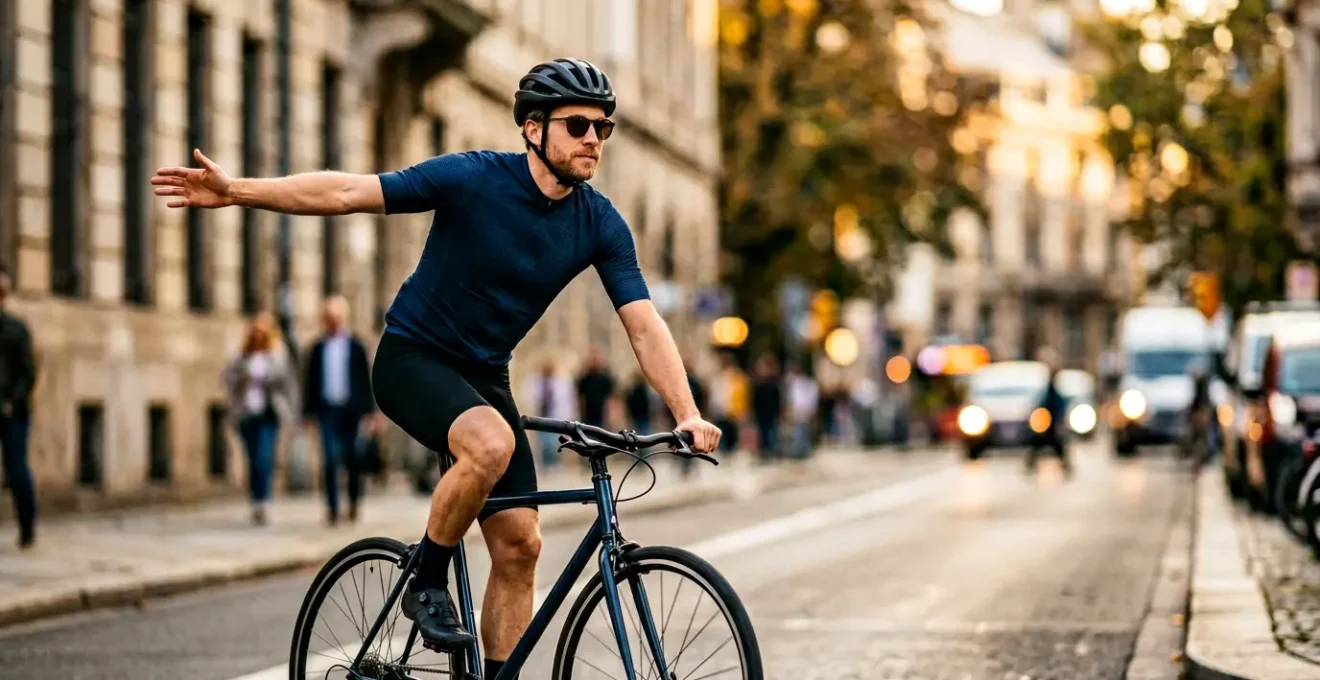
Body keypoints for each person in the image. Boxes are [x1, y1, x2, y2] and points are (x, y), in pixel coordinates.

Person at [152, 58, 720, 678]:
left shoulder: (599, 223)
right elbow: (347, 192)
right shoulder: (472, 178)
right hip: (411, 358)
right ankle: (426, 578)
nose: (593, 140)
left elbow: (643, 323)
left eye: (603, 129)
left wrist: (686, 412)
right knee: (490, 441)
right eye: (578, 125)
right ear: (534, 129)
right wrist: (237, 191)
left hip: (484, 377)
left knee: (522, 546)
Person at [302, 296, 379, 525]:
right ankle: (333, 508)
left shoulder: (356, 346)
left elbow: (365, 380)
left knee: (353, 458)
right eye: (328, 318)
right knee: (330, 459)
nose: (332, 322)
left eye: (336, 318)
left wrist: (372, 412)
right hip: (327, 410)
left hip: (351, 411)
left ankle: (354, 501)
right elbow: (310, 382)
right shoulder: (317, 348)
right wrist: (307, 414)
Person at [222, 312, 298, 525]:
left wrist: (291, 412)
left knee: (264, 457)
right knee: (252, 460)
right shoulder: (242, 356)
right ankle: (255, 500)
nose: (258, 336)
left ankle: (264, 501)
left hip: (268, 414)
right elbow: (227, 379)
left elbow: (288, 384)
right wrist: (242, 376)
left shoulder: (277, 355)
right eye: (255, 332)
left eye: (262, 332)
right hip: (246, 415)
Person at [0, 265, 36, 549]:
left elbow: (29, 370)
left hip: (13, 411)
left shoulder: (15, 328)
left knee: (16, 470)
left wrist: (15, 399)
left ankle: (27, 526)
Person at [521, 358, 576, 470]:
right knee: (542, 441)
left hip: (555, 415)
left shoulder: (561, 381)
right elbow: (527, 396)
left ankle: (554, 463)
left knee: (553, 442)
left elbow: (567, 399)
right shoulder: (535, 381)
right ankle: (545, 464)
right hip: (541, 414)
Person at [1026, 348, 1072, 476]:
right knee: (1041, 443)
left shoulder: (1053, 385)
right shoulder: (1048, 385)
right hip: (1047, 418)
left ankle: (1066, 466)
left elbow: (1056, 401)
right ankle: (1031, 464)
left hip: (1051, 418)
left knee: (1056, 444)